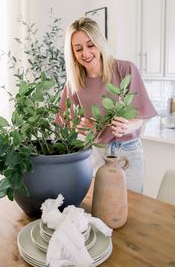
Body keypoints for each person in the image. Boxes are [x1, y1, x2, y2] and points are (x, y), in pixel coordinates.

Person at [57, 17, 157, 193]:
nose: (85, 53)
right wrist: (81, 128)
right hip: (96, 153)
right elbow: (66, 123)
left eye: (90, 45)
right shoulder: (73, 83)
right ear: (72, 53)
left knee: (132, 208)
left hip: (128, 152)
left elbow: (139, 118)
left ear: (99, 43)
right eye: (78, 49)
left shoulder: (125, 69)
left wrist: (127, 126)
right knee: (99, 207)